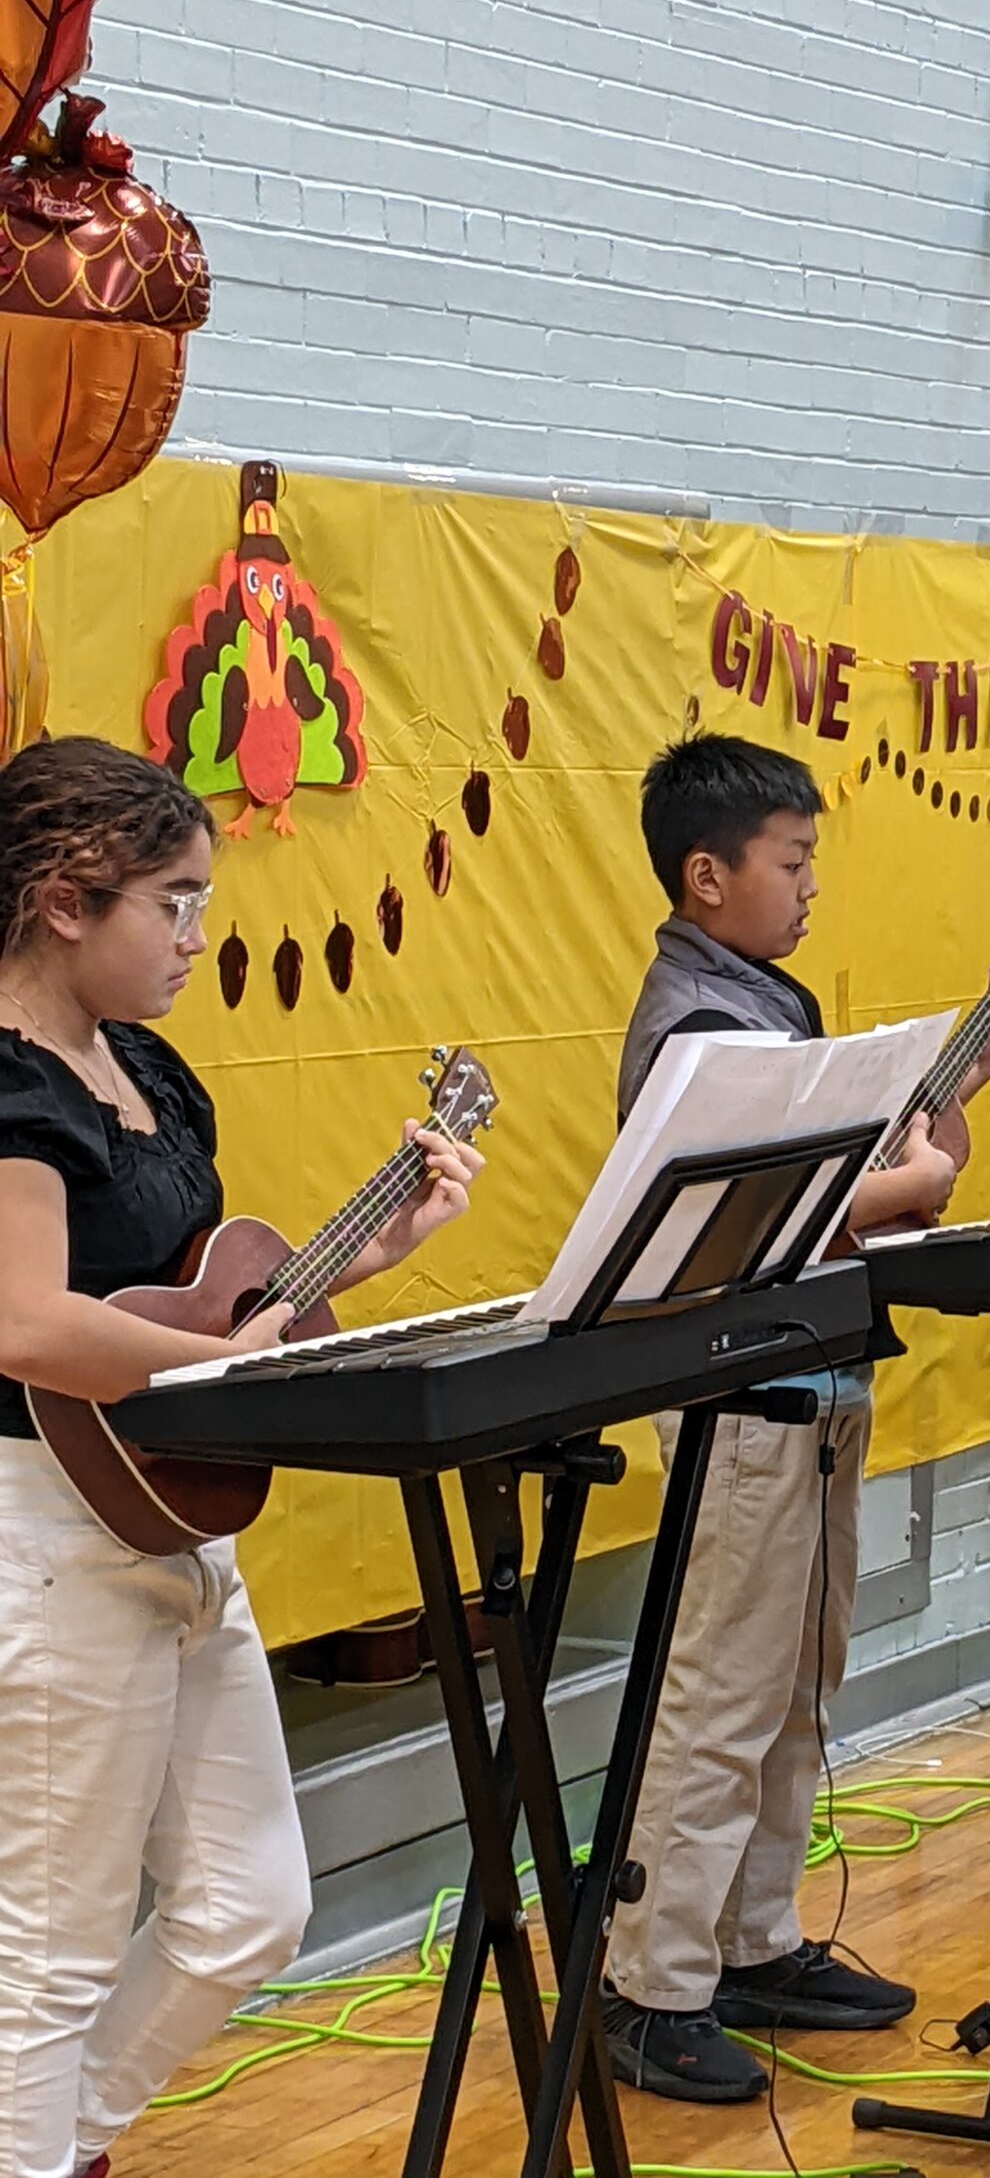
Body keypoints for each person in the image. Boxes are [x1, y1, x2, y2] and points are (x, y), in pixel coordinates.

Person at [0, 737, 483, 2178]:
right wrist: (247, 1366)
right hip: (48, 1538)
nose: (199, 937)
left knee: (249, 1906)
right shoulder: (13, 1090)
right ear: (64, 899)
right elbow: (26, 1323)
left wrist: (375, 1250)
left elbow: (193, 1290)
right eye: (176, 902)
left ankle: (55, 2138)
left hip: (172, 1522)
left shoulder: (145, 1067)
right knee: (52, 1947)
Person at [602, 733, 990, 2104]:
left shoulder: (763, 999)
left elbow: (871, 1178)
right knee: (720, 1699)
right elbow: (763, 1209)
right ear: (705, 874)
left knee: (796, 1686)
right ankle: (649, 1984)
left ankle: (753, 1941)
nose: (810, 890)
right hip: (737, 1403)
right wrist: (909, 1168)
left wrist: (958, 1088)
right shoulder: (697, 1024)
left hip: (815, 1386)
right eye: (791, 864)